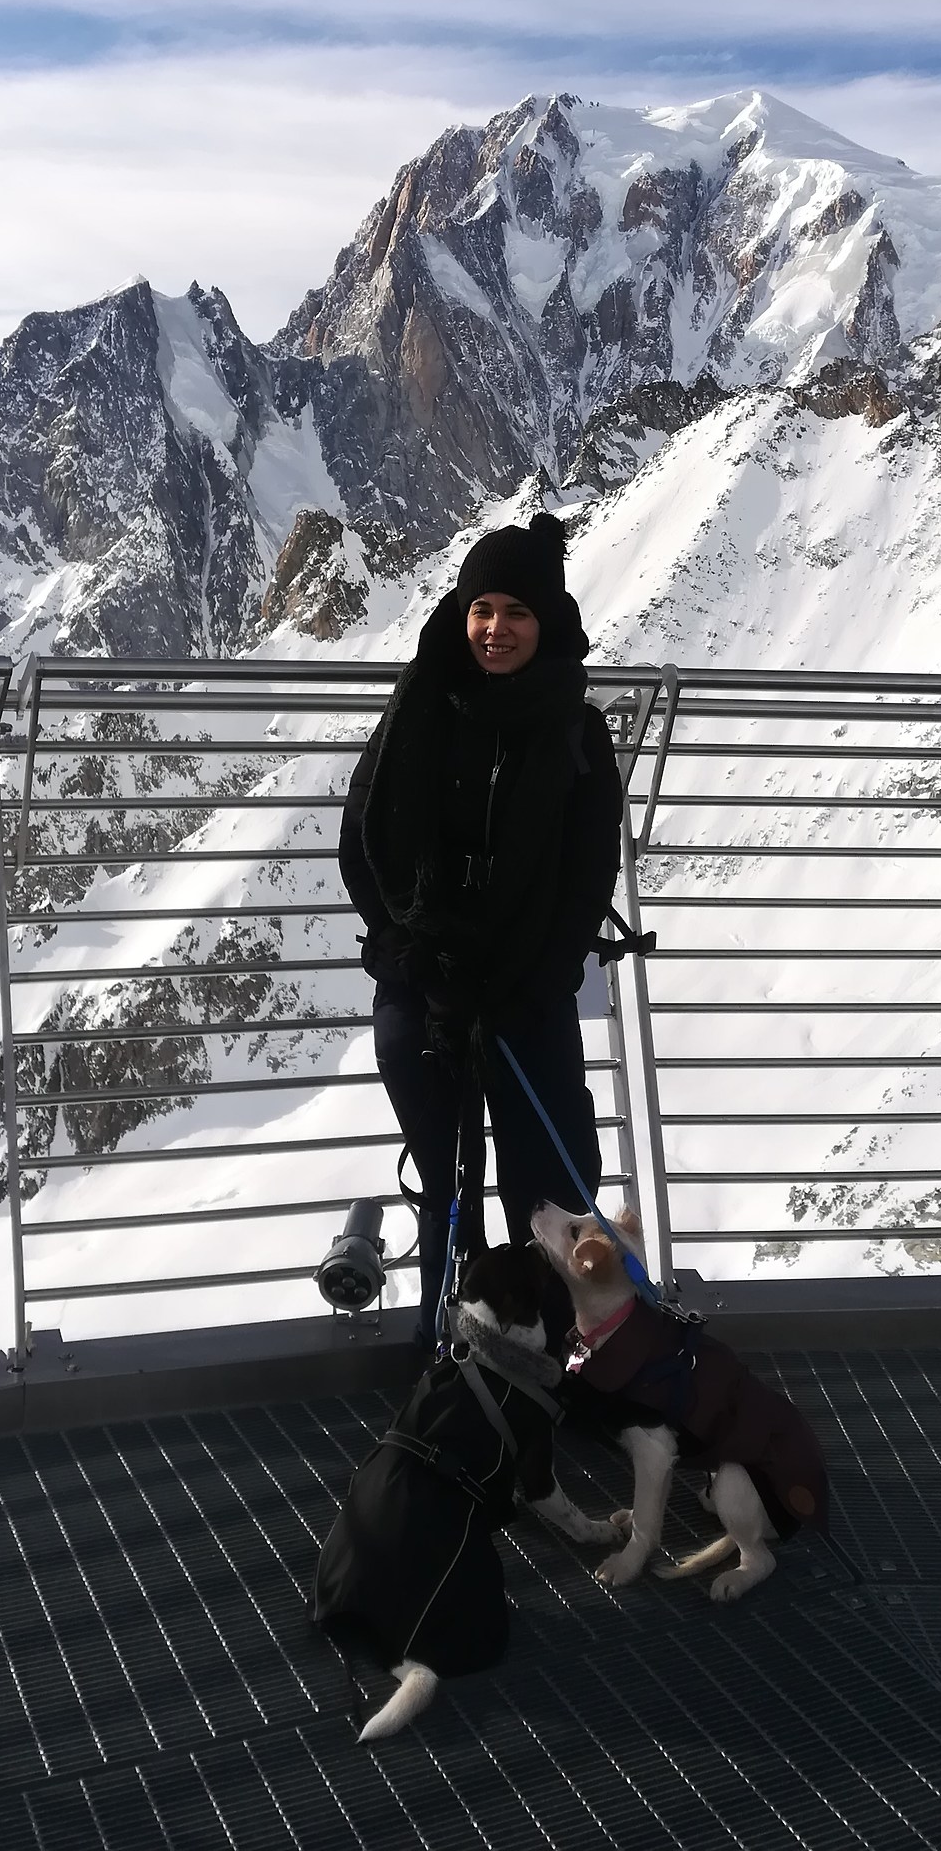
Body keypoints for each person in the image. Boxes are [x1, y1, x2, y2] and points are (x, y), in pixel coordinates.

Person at [339, 512, 624, 1345]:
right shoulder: (424, 703)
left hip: (526, 984)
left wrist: (536, 976)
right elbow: (365, 834)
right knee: (446, 1180)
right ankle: (448, 1343)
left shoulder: (575, 729)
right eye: (482, 609)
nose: (496, 629)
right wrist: (404, 949)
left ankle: (561, 1343)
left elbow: (588, 871)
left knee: (550, 1180)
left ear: (548, 620)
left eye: (518, 613)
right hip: (424, 977)